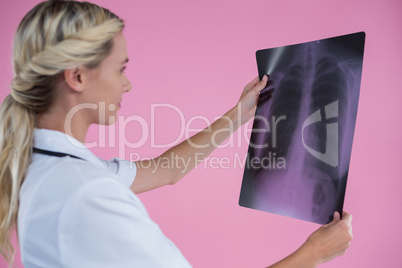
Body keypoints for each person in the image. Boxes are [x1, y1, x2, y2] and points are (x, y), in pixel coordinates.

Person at [0, 0, 352, 267]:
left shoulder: (42, 164)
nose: (128, 83)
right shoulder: (88, 193)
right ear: (77, 77)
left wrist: (239, 114)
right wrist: (316, 253)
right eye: (121, 68)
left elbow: (166, 170)